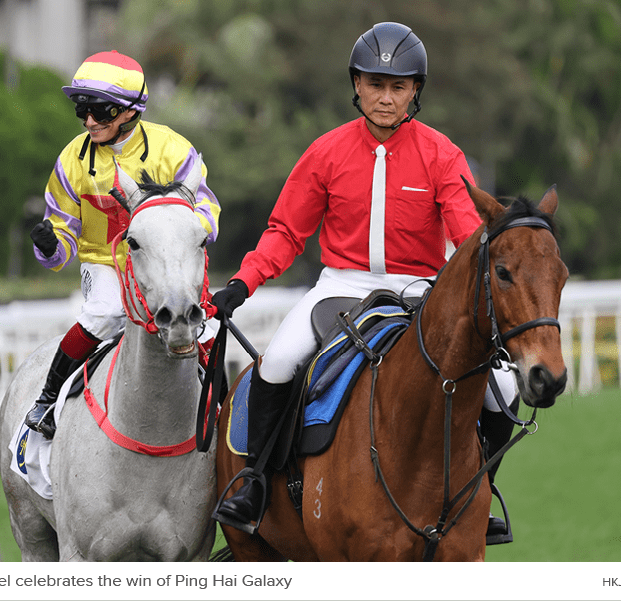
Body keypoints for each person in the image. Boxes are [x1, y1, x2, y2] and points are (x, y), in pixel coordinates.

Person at [210, 22, 518, 544]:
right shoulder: (325, 151)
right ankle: (255, 484)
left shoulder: (442, 154)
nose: (385, 97)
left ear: (415, 91)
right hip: (341, 288)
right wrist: (243, 283)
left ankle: (476, 492)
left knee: (503, 388)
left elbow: (468, 235)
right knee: (279, 363)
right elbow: (286, 232)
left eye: (398, 87)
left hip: (419, 291)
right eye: (375, 84)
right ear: (356, 85)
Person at [25, 50, 221, 439]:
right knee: (106, 312)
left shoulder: (173, 150)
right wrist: (50, 246)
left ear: (131, 111)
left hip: (167, 263)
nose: (89, 121)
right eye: (83, 110)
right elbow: (62, 238)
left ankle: (222, 410)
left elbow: (207, 209)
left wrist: (180, 236)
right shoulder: (71, 160)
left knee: (207, 325)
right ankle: (46, 399)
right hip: (103, 264)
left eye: (101, 111)